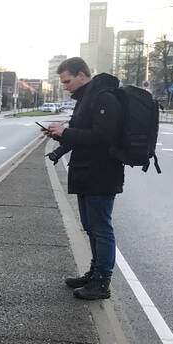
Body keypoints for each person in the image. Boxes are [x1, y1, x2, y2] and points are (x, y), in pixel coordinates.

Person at [44, 57, 123, 300]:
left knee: (101, 228)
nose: (65, 86)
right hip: (86, 173)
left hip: (101, 173)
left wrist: (66, 131)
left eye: (67, 81)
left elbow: (103, 137)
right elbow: (82, 135)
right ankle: (94, 273)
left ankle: (102, 282)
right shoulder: (86, 99)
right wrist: (59, 142)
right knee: (91, 227)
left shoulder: (103, 98)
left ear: (82, 75)